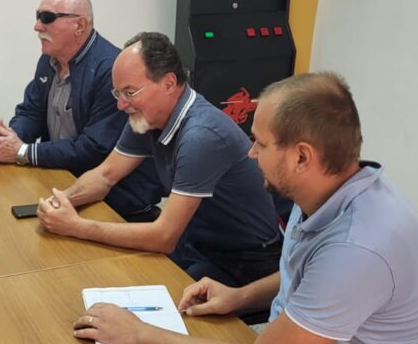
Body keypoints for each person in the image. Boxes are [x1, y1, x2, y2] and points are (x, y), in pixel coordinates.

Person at [72, 72, 418, 344]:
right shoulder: (326, 189)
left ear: (302, 157)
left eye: (261, 144)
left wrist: (139, 333)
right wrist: (241, 296)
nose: (251, 153)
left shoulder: (357, 250)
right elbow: (308, 278)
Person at [37, 32, 280, 289]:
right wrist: (60, 202)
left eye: (130, 92)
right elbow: (105, 175)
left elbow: (163, 237)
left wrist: (76, 226)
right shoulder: (146, 117)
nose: (121, 105)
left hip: (242, 262)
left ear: (168, 83)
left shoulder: (201, 136)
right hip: (197, 242)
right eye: (118, 93)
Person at [0, 0, 163, 222]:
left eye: (47, 18)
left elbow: (94, 148)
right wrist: (11, 138)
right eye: (38, 16)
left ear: (79, 25)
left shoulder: (111, 70)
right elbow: (31, 112)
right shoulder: (49, 60)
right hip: (60, 182)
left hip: (113, 203)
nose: (37, 26)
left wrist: (23, 152)